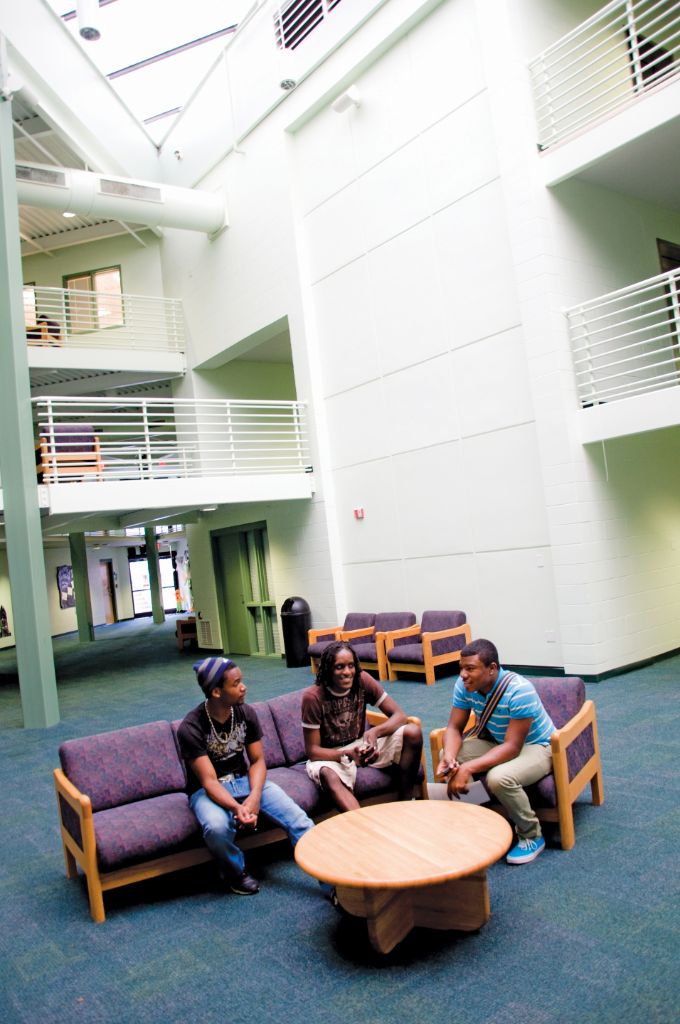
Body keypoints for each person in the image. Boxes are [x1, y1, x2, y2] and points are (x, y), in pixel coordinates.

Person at [178, 656, 314, 895]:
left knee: (299, 820)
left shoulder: (246, 713)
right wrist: (236, 808)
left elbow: (258, 760)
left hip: (244, 781)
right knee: (217, 828)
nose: (244, 687)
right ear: (217, 692)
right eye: (236, 683)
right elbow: (209, 781)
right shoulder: (191, 727)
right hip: (207, 791)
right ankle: (235, 872)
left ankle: (331, 881)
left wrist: (254, 796)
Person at [437, 638, 556, 865]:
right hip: (498, 740)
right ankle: (478, 825)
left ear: (492, 669)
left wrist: (468, 768)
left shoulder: (519, 691)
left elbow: (513, 747)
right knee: (447, 755)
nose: (463, 675)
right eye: (461, 668)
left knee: (499, 778)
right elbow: (453, 727)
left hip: (538, 746)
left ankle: (531, 834)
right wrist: (451, 758)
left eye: (470, 668)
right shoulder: (464, 686)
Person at [302, 640, 423, 813]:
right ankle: (362, 825)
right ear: (328, 669)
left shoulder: (362, 680)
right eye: (339, 667)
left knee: (413, 732)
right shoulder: (313, 697)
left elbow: (400, 716)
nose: (347, 672)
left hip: (360, 744)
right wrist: (345, 754)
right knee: (327, 774)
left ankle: (405, 806)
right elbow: (312, 751)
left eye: (351, 666)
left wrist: (375, 732)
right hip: (329, 756)